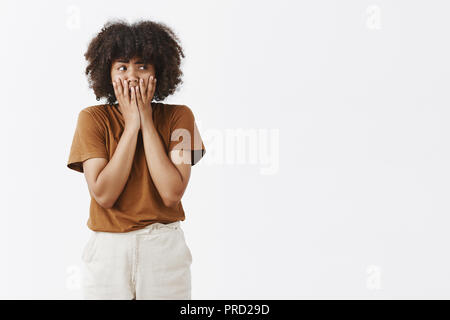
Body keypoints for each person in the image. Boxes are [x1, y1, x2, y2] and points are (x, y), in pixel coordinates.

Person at [66, 19, 206, 300]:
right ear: (108, 73)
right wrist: (131, 127)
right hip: (108, 250)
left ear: (159, 71)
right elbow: (104, 194)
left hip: (163, 248)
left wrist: (145, 120)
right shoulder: (92, 119)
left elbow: (171, 192)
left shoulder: (181, 117)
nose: (132, 76)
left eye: (143, 66)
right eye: (122, 67)